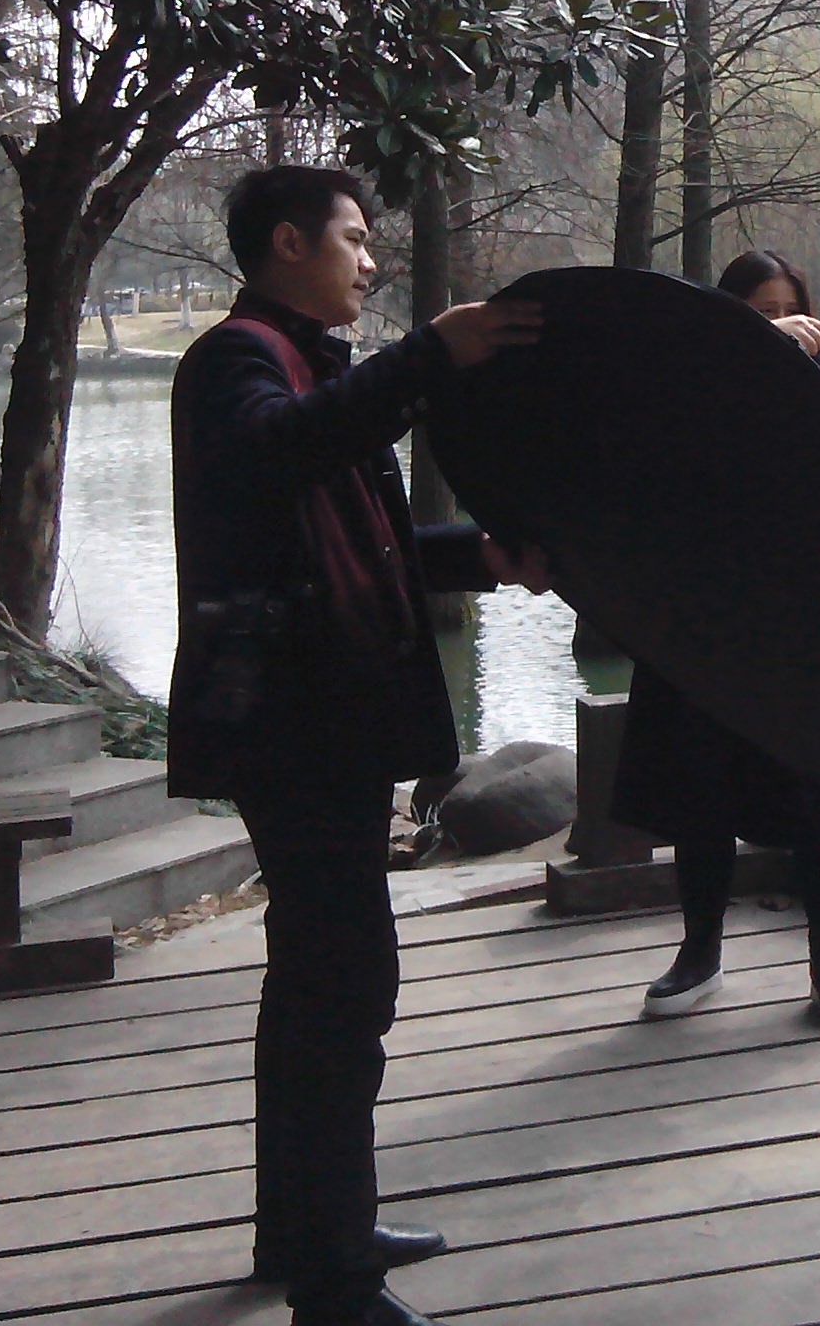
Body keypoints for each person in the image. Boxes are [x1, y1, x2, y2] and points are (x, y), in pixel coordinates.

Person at [168, 166, 546, 1326]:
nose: (371, 260)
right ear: (289, 245)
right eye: (353, 238)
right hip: (292, 726)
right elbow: (279, 452)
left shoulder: (306, 368)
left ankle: (304, 1227)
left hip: (316, 723)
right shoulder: (235, 363)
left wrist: (480, 556)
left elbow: (363, 538)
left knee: (315, 984)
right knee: (342, 989)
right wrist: (428, 356)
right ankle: (336, 1286)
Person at [611, 250, 820, 1031]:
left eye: (789, 311)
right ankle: (699, 952)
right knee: (700, 790)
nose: (782, 326)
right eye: (760, 313)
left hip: (803, 628)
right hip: (706, 624)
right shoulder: (691, 389)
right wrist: (749, 348)